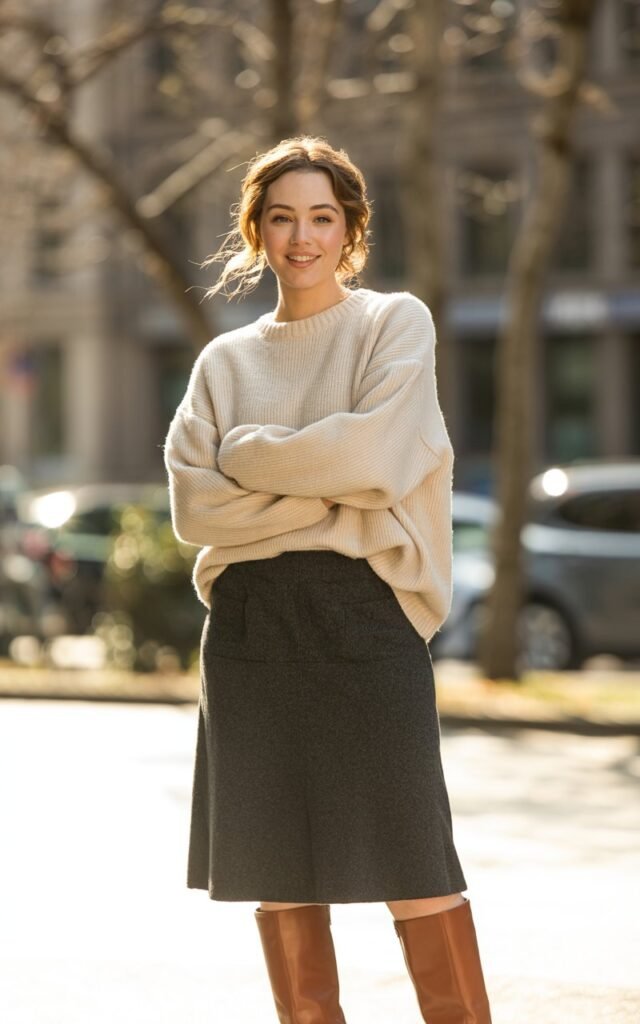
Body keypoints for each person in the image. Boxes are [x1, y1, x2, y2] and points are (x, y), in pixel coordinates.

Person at [163, 135, 492, 1024]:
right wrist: (332, 496)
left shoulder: (394, 325)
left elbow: (375, 457)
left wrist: (249, 457)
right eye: (282, 218)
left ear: (350, 228)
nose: (301, 237)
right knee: (280, 880)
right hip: (250, 632)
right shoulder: (224, 363)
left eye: (321, 217)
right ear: (256, 231)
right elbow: (197, 508)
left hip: (367, 620)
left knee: (418, 871)